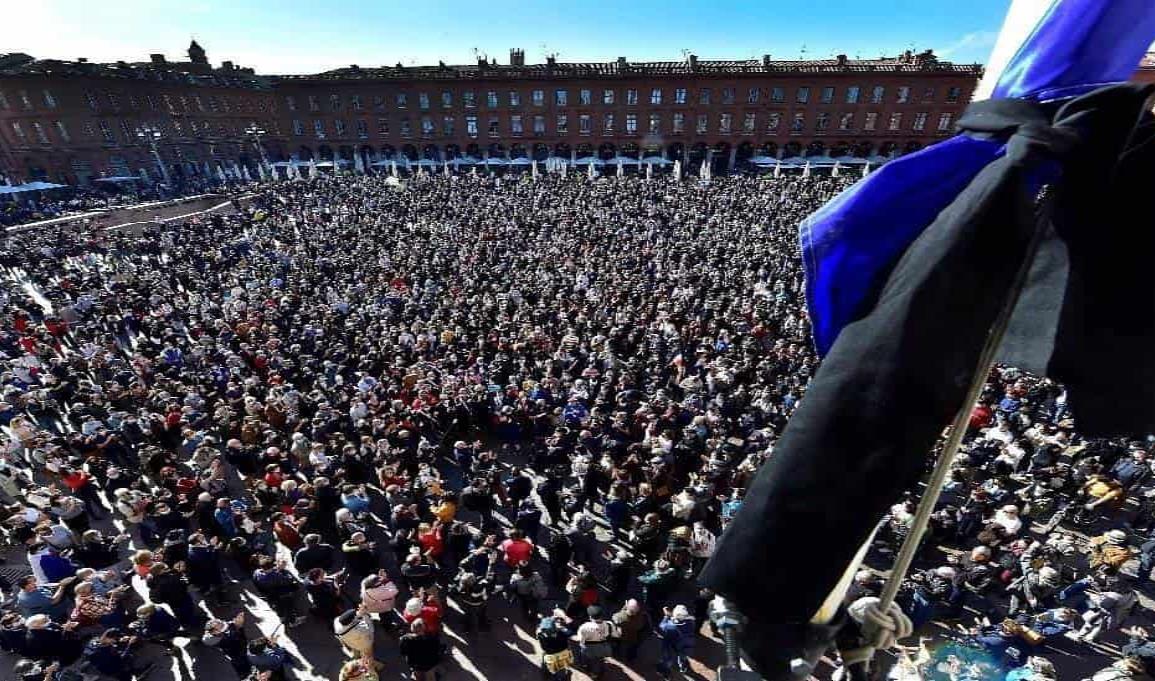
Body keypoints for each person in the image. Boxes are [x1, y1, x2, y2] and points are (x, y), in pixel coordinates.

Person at [203, 614, 251, 678]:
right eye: (219, 627)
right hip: (235, 654)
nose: (223, 626)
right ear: (214, 632)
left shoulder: (228, 627)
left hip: (242, 645)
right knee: (241, 664)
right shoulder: (215, 639)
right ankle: (244, 675)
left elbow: (233, 625)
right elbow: (206, 640)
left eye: (221, 624)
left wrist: (238, 624)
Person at [576, 605, 616, 679]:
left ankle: (586, 666)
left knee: (588, 658)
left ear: (590, 617)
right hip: (602, 646)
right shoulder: (608, 624)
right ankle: (595, 673)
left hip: (589, 647)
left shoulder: (584, 627)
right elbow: (612, 634)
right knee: (598, 660)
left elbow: (581, 640)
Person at [657, 605, 696, 677]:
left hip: (671, 645)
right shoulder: (691, 623)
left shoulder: (670, 626)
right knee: (682, 657)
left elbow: (662, 626)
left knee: (668, 659)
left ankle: (665, 672)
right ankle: (683, 668)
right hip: (684, 645)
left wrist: (666, 616)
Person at [537, 609, 575, 681]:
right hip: (562, 653)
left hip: (549, 654)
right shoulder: (562, 632)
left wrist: (544, 619)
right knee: (561, 669)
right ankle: (562, 678)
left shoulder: (541, 635)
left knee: (546, 662)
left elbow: (539, 630)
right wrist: (562, 621)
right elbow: (570, 632)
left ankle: (546, 672)